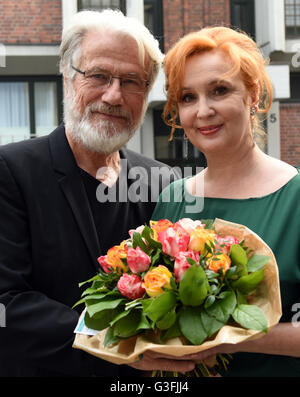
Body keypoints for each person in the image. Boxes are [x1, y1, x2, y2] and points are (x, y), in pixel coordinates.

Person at [0, 10, 178, 377]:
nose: (114, 96)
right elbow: (8, 299)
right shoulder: (12, 172)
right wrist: (118, 343)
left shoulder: (162, 182)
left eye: (132, 81)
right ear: (67, 76)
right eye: (99, 75)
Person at [131, 26, 300, 376]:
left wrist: (229, 338)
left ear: (253, 95)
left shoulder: (295, 197)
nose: (203, 111)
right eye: (188, 97)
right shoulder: (173, 200)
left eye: (219, 90)